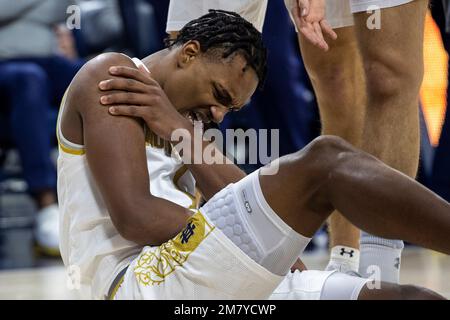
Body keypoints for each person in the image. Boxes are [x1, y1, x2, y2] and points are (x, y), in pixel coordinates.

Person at [57, 11, 449, 300]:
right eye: (220, 96)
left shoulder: (184, 119)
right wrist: (252, 233)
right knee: (326, 161)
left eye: (230, 110)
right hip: (137, 284)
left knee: (410, 298)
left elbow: (237, 195)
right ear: (189, 53)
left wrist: (176, 128)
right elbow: (136, 216)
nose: (217, 114)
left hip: (206, 273)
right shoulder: (113, 75)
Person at [0, 0, 83, 255]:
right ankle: (45, 204)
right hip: (8, 66)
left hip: (48, 60)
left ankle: (121, 196)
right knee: (30, 79)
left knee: (102, 74)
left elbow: (68, 10)